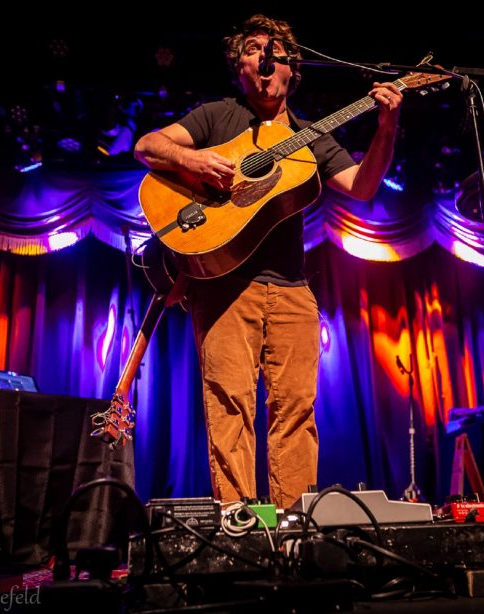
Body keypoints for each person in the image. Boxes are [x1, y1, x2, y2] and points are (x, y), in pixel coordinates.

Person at [134, 14, 402, 509]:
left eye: (274, 51)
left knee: (296, 410)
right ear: (240, 69)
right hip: (223, 284)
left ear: (291, 70)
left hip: (292, 288)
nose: (263, 58)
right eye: (253, 50)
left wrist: (387, 125)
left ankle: (291, 525)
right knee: (229, 406)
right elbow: (148, 146)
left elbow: (363, 188)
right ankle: (242, 526)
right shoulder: (218, 116)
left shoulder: (312, 136)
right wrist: (195, 162)